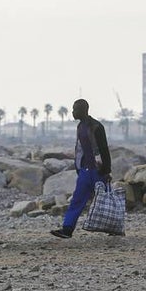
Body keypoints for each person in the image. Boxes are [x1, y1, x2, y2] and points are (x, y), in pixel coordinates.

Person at [50, 98, 111, 239]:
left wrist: (106, 169)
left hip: (98, 170)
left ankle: (115, 227)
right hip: (85, 170)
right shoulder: (80, 127)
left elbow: (103, 149)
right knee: (77, 199)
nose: (72, 112)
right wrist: (78, 166)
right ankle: (67, 229)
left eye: (75, 109)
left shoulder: (97, 127)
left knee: (106, 200)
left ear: (84, 110)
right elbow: (79, 149)